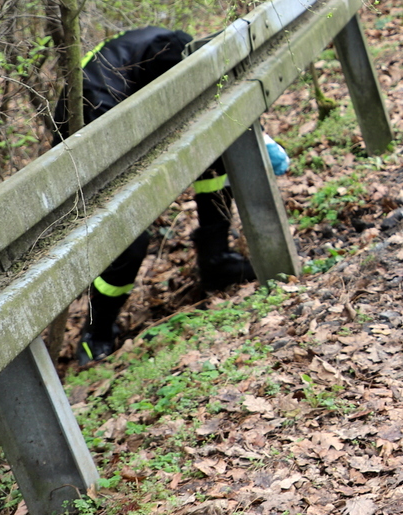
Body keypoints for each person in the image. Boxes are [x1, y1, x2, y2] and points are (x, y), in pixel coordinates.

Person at [53, 26, 264, 362]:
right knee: (128, 237)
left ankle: (216, 261)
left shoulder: (168, 49)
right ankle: (97, 331)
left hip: (122, 120)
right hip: (89, 150)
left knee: (216, 157)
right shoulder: (98, 96)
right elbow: (108, 154)